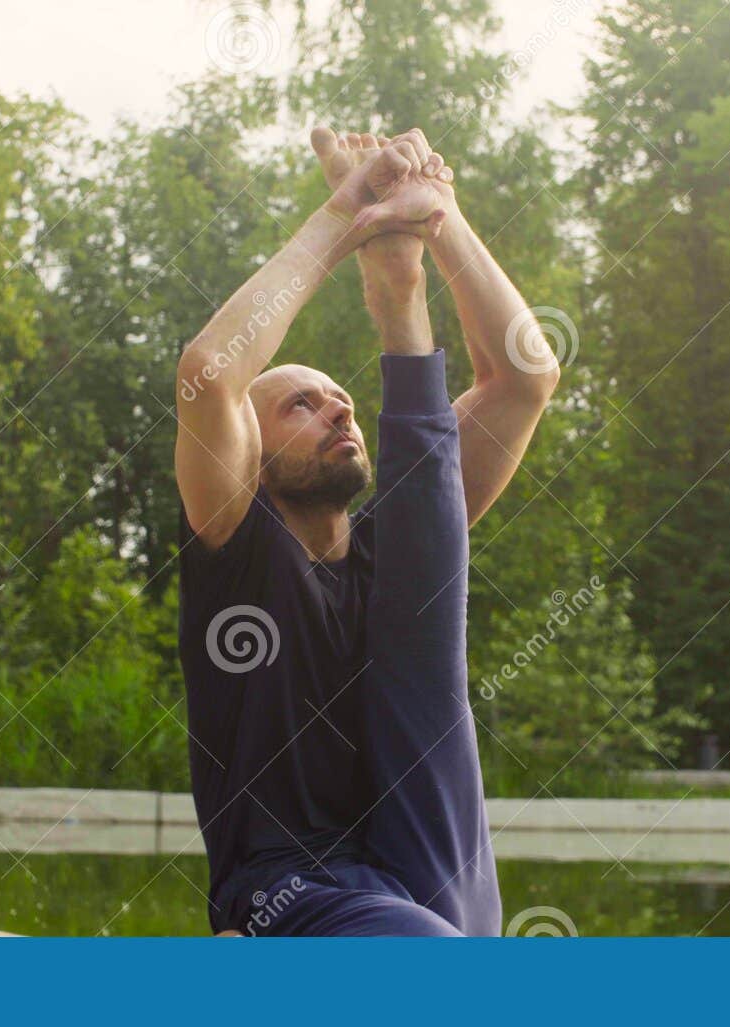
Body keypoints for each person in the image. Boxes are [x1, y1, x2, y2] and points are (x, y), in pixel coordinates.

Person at [174, 127, 559, 936]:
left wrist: (438, 221)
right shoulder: (235, 549)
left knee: (429, 508)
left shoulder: (404, 547)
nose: (339, 406)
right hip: (292, 900)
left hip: (436, 887)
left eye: (340, 395)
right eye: (299, 405)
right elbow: (210, 371)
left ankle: (399, 288)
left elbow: (527, 376)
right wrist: (347, 211)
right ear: (252, 457)